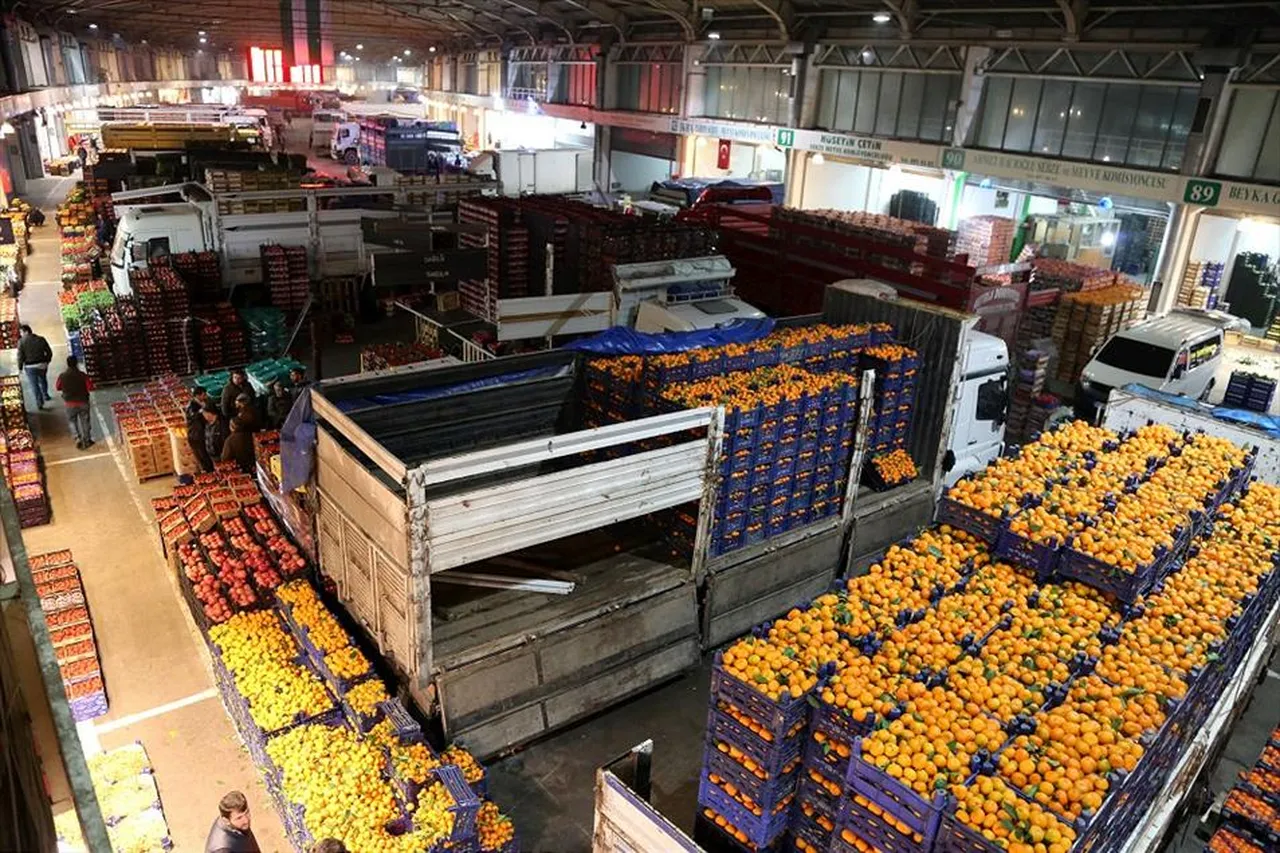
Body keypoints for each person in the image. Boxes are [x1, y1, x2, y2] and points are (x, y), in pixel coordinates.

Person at [55, 356, 95, 450]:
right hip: (83, 402)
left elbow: (57, 387)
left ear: (67, 364)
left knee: (72, 421)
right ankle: (87, 440)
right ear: (76, 363)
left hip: (70, 403)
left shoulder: (62, 376)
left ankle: (77, 438)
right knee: (85, 421)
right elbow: (90, 387)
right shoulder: (82, 375)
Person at [16, 325, 53, 411]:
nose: (21, 334)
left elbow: (20, 356)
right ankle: (45, 395)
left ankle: (39, 402)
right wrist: (47, 361)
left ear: (26, 331)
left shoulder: (21, 342)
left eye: (21, 332)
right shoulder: (41, 339)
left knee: (34, 384)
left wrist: (20, 367)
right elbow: (49, 351)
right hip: (42, 365)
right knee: (43, 379)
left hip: (30, 367)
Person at [186, 388, 214, 473]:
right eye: (203, 395)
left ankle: (209, 470)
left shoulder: (203, 403)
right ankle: (208, 471)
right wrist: (200, 412)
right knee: (202, 454)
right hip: (196, 434)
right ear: (197, 396)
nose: (205, 396)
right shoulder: (192, 406)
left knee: (205, 453)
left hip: (202, 432)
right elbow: (192, 416)